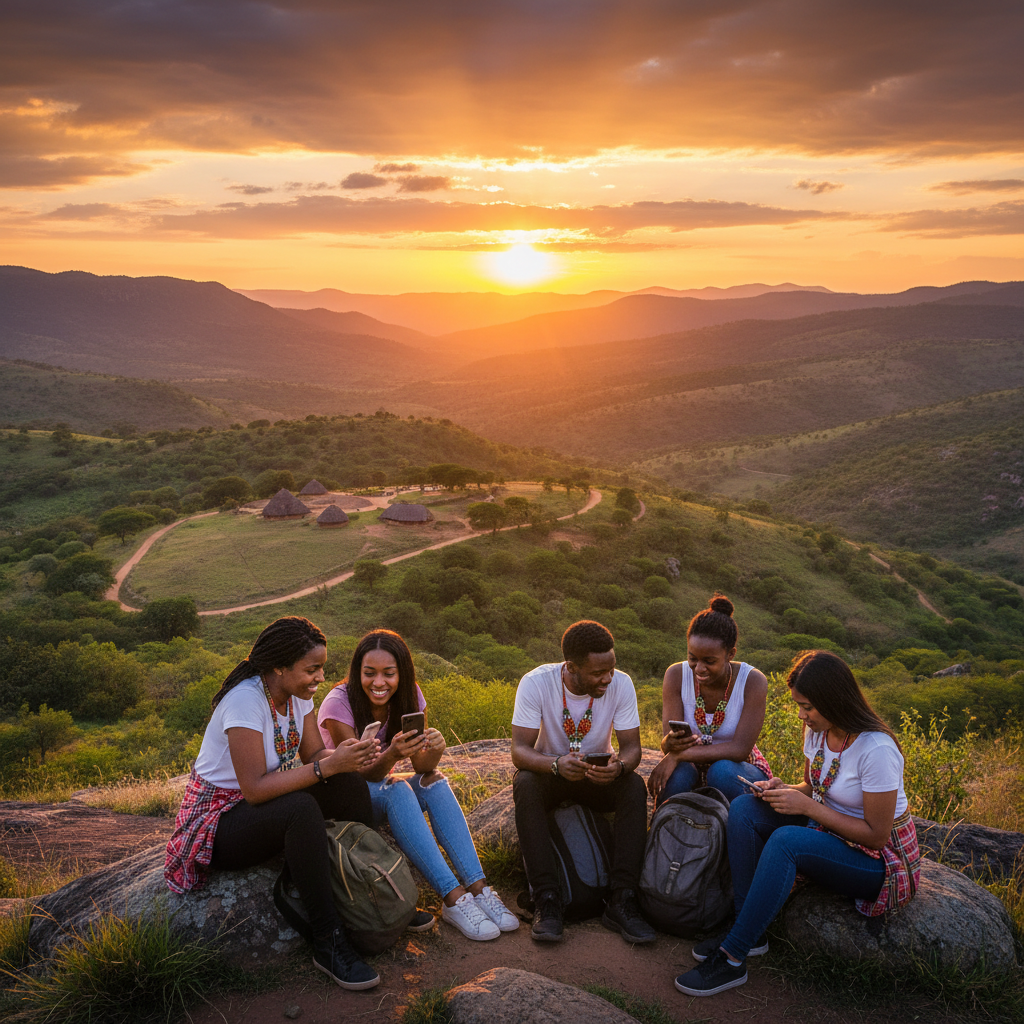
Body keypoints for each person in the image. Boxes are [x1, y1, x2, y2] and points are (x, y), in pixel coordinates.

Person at [674, 649, 920, 997]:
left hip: (881, 862)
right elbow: (813, 786)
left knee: (787, 840)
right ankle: (749, 931)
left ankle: (731, 958)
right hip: (831, 832)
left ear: (834, 701)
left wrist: (807, 806)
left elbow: (877, 836)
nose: (802, 716)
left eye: (808, 707)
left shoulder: (876, 749)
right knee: (744, 809)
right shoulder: (820, 733)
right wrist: (780, 789)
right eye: (799, 706)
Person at [164, 616, 384, 991]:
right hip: (216, 821)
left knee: (347, 781)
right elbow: (254, 789)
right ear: (279, 668)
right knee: (299, 810)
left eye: (322, 668)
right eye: (311, 669)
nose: (319, 678)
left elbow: (314, 753)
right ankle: (328, 940)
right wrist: (327, 764)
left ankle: (375, 890)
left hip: (258, 804)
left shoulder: (298, 698)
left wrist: (344, 756)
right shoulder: (245, 702)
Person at [317, 628, 519, 942]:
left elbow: (422, 767)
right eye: (369, 673)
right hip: (347, 795)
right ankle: (453, 897)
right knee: (397, 788)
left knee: (434, 782)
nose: (379, 683)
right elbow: (359, 775)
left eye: (389, 674)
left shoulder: (411, 695)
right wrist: (393, 753)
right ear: (358, 673)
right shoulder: (338, 703)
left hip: (376, 787)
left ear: (402, 673)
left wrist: (435, 749)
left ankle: (479, 889)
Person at [511, 619, 656, 945]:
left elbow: (632, 748)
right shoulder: (536, 683)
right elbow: (519, 751)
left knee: (633, 786)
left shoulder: (621, 684)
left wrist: (619, 768)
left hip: (596, 776)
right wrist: (555, 765)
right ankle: (547, 899)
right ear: (571, 667)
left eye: (611, 669)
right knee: (525, 783)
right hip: (552, 775)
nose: (607, 679)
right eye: (597, 673)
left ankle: (623, 898)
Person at [647, 595, 771, 805]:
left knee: (721, 771)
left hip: (735, 768)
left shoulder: (752, 681)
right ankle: (665, 831)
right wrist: (668, 744)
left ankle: (734, 829)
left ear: (730, 654)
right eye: (693, 658)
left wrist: (676, 756)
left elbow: (740, 750)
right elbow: (672, 744)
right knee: (678, 776)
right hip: (691, 764)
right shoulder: (676, 675)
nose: (699, 669)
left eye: (709, 661)